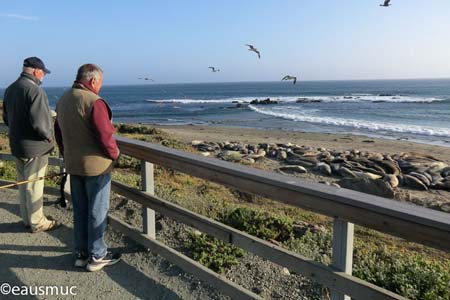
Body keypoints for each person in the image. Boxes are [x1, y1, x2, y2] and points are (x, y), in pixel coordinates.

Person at [55, 63, 121, 272]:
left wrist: (67, 155)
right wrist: (115, 155)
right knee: (97, 211)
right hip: (96, 167)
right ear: (93, 81)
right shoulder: (95, 102)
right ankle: (97, 255)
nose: (100, 87)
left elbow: (59, 133)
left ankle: (81, 253)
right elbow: (105, 135)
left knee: (80, 211)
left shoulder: (64, 99)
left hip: (74, 164)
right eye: (100, 82)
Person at [2, 57, 59, 233]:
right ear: (36, 71)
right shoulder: (35, 91)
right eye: (43, 73)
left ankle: (27, 219)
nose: (43, 77)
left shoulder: (11, 89)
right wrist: (50, 136)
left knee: (23, 183)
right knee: (35, 184)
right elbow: (40, 123)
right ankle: (37, 222)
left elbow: (6, 118)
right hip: (35, 147)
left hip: (17, 144)